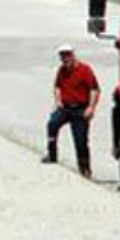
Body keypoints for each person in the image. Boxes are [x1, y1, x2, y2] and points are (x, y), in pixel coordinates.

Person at [42, 43, 100, 177]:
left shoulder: (85, 70)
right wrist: (57, 102)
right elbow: (57, 87)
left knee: (80, 140)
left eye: (67, 56)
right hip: (65, 108)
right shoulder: (61, 71)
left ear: (73, 55)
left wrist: (91, 107)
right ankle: (52, 154)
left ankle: (85, 168)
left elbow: (94, 90)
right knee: (52, 124)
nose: (65, 59)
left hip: (80, 109)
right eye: (62, 57)